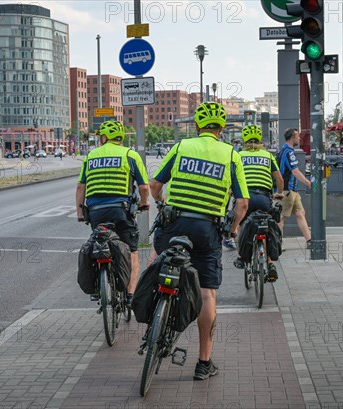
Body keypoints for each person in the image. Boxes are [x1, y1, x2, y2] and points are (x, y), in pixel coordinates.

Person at [150, 102, 249, 380]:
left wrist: (162, 203)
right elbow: (242, 203)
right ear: (222, 129)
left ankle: (155, 310)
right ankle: (204, 362)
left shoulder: (181, 147)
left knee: (157, 258)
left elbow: (155, 186)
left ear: (196, 126)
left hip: (174, 224)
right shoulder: (231, 154)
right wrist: (231, 231)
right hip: (207, 229)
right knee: (207, 292)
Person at [75, 121, 150, 307]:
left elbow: (81, 186)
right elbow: (144, 187)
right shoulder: (129, 155)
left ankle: (98, 285)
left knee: (99, 241)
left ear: (104, 137)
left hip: (95, 212)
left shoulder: (91, 155)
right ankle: (130, 295)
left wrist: (79, 211)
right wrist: (144, 203)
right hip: (121, 211)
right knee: (132, 251)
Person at [232, 125, 284, 281]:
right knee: (265, 226)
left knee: (241, 225)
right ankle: (269, 262)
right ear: (260, 140)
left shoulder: (239, 155)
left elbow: (232, 178)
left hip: (245, 197)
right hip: (264, 198)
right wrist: (279, 194)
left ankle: (242, 257)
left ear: (244, 140)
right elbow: (279, 179)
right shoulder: (268, 156)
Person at [277, 128, 312, 244]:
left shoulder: (283, 150)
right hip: (287, 189)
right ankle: (275, 244)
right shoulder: (289, 152)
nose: (299, 138)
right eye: (298, 136)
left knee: (300, 213)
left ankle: (309, 240)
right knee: (281, 217)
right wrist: (307, 182)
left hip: (292, 190)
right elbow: (295, 171)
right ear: (292, 137)